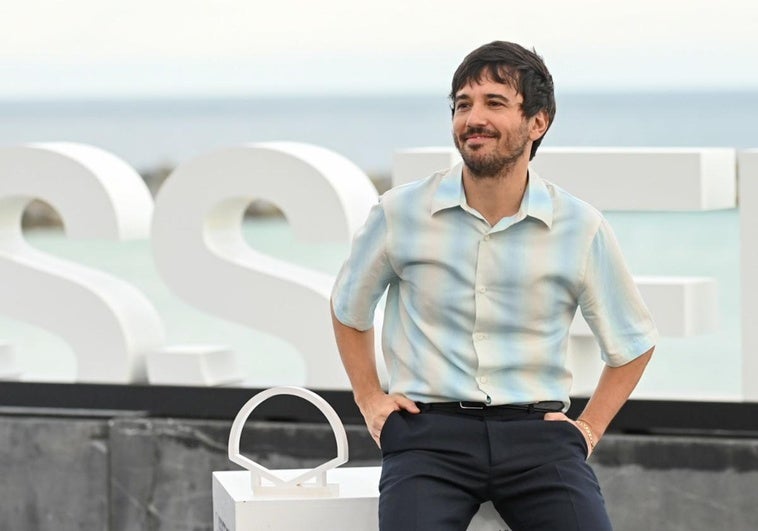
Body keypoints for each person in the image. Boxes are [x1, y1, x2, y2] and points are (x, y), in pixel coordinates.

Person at [330, 40, 657, 531]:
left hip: (539, 439)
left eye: (494, 103)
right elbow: (349, 308)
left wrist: (587, 430)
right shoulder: (399, 213)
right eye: (463, 104)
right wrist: (371, 401)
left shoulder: (579, 225)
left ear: (538, 121)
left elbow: (633, 342)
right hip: (427, 437)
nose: (472, 118)